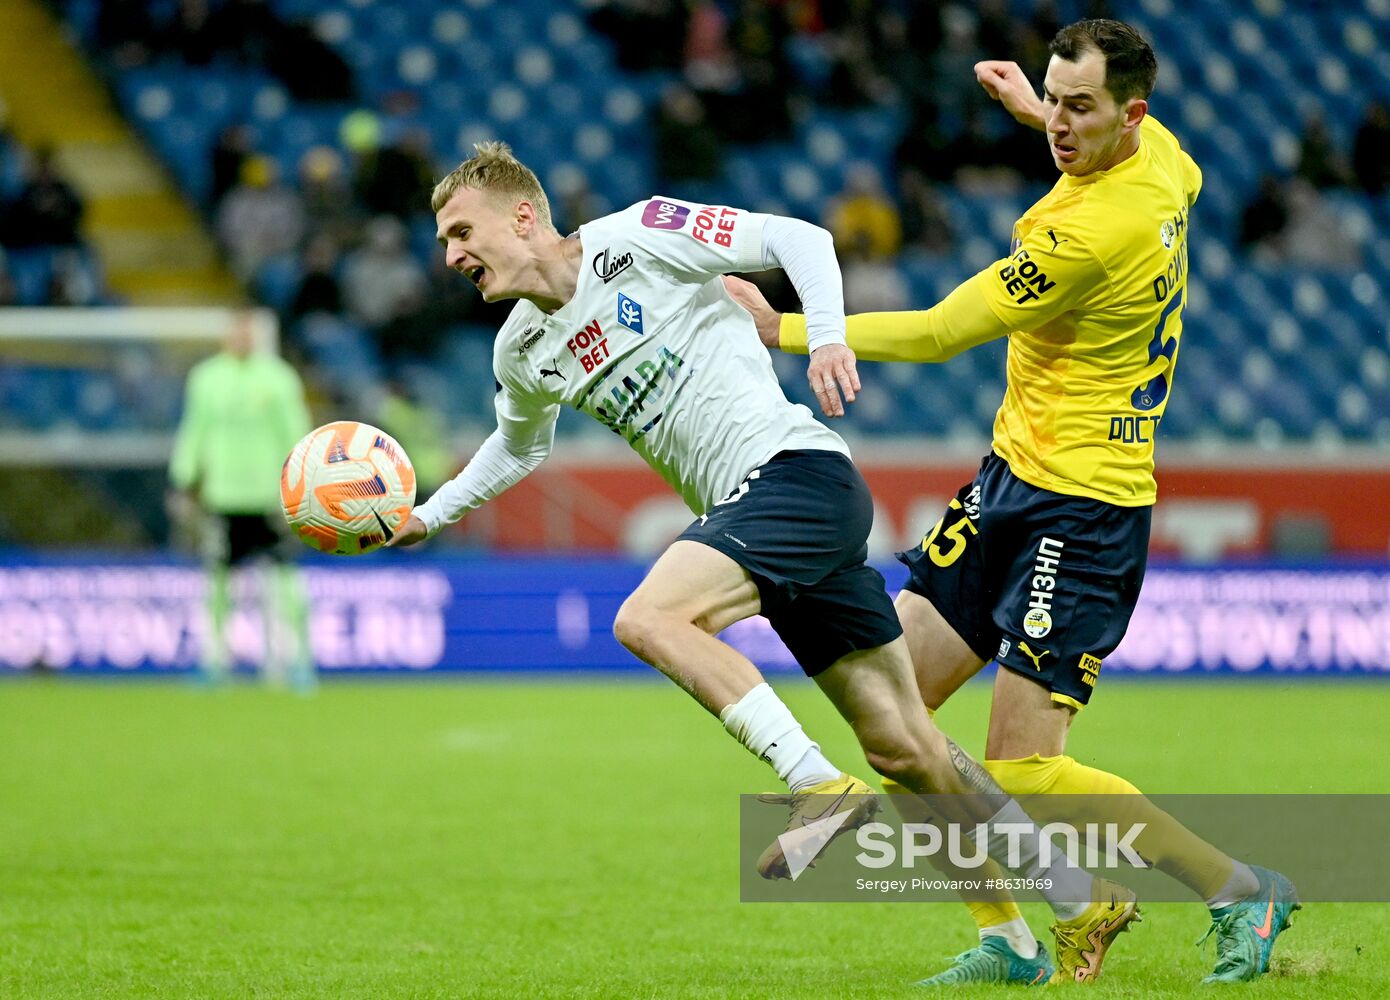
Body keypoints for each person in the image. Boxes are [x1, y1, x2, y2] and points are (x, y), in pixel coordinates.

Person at [391, 142, 1142, 985]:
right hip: (757, 512)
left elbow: (800, 239)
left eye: (461, 230)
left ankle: (814, 784)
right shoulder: (521, 351)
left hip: (795, 475)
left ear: (522, 215)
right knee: (906, 747)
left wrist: (824, 340)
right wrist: (426, 515)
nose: (451, 254)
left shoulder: (635, 238)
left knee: (650, 617)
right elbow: (515, 447)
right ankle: (1055, 915)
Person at [724, 18, 1300, 987]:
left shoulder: (1092, 231)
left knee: (1025, 764)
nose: (1061, 125)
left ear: (1132, 114)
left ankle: (1240, 886)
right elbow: (1142, 163)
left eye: (1081, 109)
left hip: (1082, 510)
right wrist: (1040, 113)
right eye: (1055, 101)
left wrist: (783, 326)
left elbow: (947, 328)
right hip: (1008, 482)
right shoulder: (1163, 162)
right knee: (889, 716)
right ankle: (1011, 938)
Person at [168, 311, 314, 690]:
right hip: (223, 496)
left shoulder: (279, 378)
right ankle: (214, 662)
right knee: (217, 581)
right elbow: (194, 430)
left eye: (248, 330)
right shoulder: (206, 378)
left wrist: (301, 486)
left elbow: (295, 432)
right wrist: (184, 480)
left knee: (286, 579)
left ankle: (300, 662)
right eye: (236, 330)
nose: (242, 336)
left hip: (270, 498)